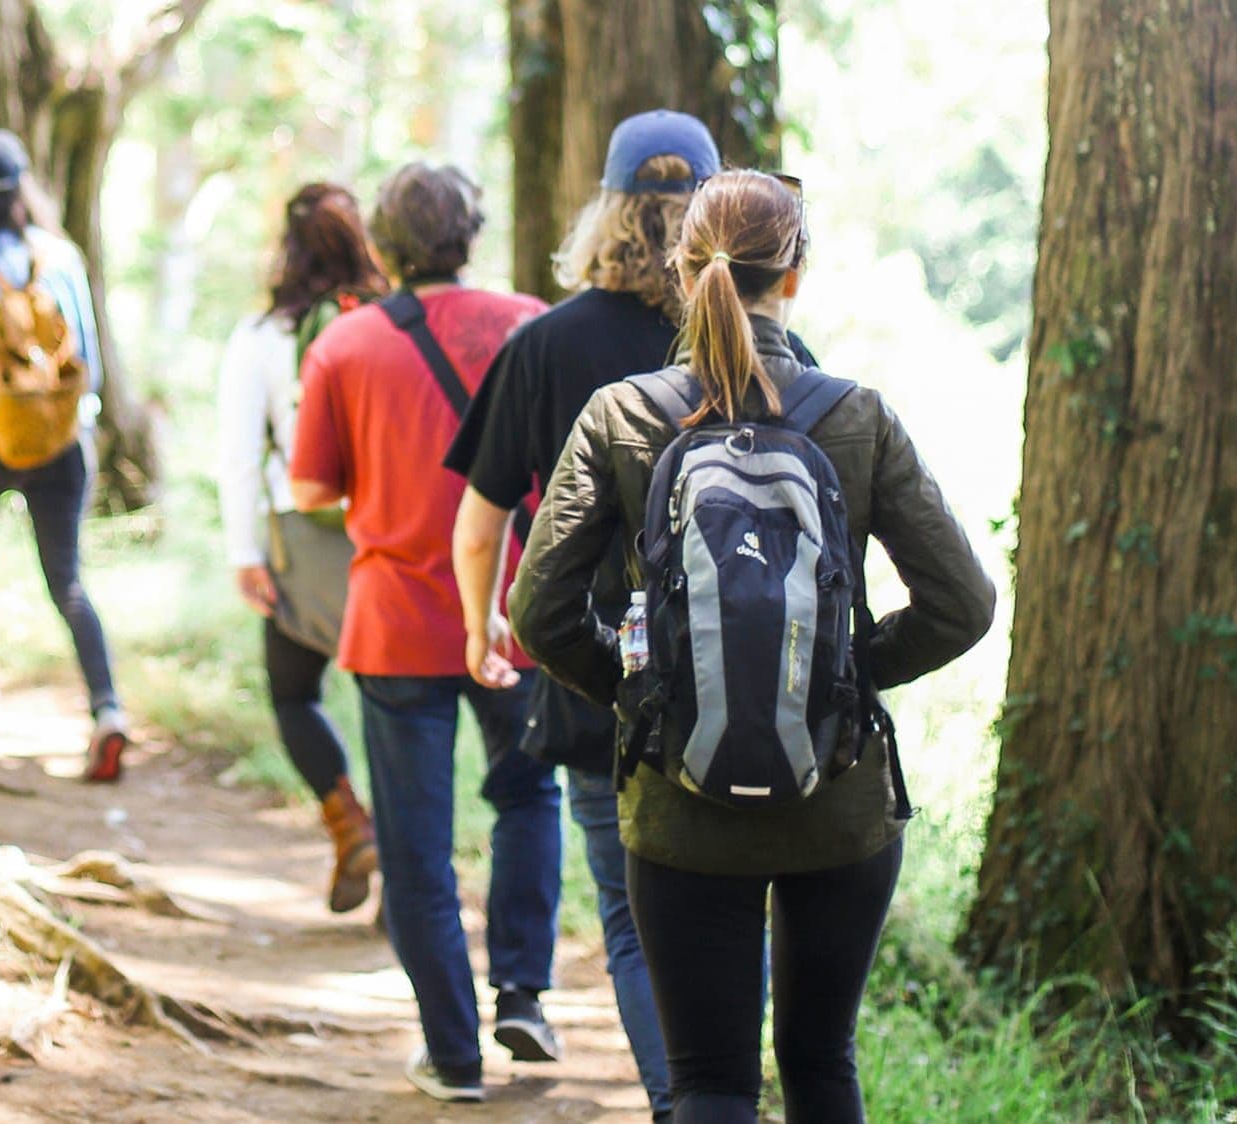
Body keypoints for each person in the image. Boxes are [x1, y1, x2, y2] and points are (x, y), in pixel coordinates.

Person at [510, 170, 996, 1122]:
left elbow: (540, 610)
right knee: (822, 1066)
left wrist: (644, 691)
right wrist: (848, 678)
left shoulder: (623, 415)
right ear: (796, 276)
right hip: (840, 799)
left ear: (683, 274)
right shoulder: (857, 416)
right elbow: (964, 603)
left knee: (710, 1084)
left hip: (679, 802)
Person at [445, 111, 814, 1121]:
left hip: (606, 678)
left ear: (606, 207)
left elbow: (480, 522)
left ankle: (683, 1100)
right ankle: (724, 1091)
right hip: (761, 683)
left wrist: (485, 626)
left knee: (630, 914)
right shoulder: (776, 343)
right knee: (748, 904)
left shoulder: (546, 344)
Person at [288, 162, 562, 1105]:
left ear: (387, 245)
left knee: (415, 846)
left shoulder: (345, 346)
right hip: (516, 612)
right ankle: (524, 991)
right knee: (528, 797)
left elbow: (310, 488)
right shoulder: (529, 323)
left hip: (398, 622)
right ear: (472, 233)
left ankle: (452, 1054)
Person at [215, 182, 387, 914]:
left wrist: (244, 553)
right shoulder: (392, 323)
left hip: (302, 540)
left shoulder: (262, 338)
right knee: (395, 708)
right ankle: (406, 867)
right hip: (391, 539)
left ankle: (348, 819)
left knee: (294, 693)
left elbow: (236, 455)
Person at [0, 129, 129, 783]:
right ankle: (107, 711)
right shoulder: (60, 258)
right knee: (68, 581)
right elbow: (92, 368)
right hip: (58, 445)